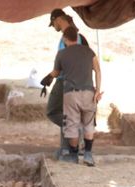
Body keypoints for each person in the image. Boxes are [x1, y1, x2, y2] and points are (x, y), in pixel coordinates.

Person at [41, 9, 89, 157]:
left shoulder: (67, 38)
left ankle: (74, 131)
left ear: (58, 20)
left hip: (65, 80)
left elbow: (65, 62)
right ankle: (66, 148)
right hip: (78, 80)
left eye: (53, 24)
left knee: (53, 112)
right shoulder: (79, 36)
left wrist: (50, 76)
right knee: (65, 115)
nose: (54, 27)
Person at [54, 25, 100, 165]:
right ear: (77, 37)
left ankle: (73, 155)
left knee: (72, 125)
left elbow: (56, 73)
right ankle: (88, 155)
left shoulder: (62, 54)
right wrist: (98, 90)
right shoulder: (89, 52)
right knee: (89, 124)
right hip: (89, 93)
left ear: (65, 39)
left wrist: (47, 78)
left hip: (71, 94)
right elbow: (98, 70)